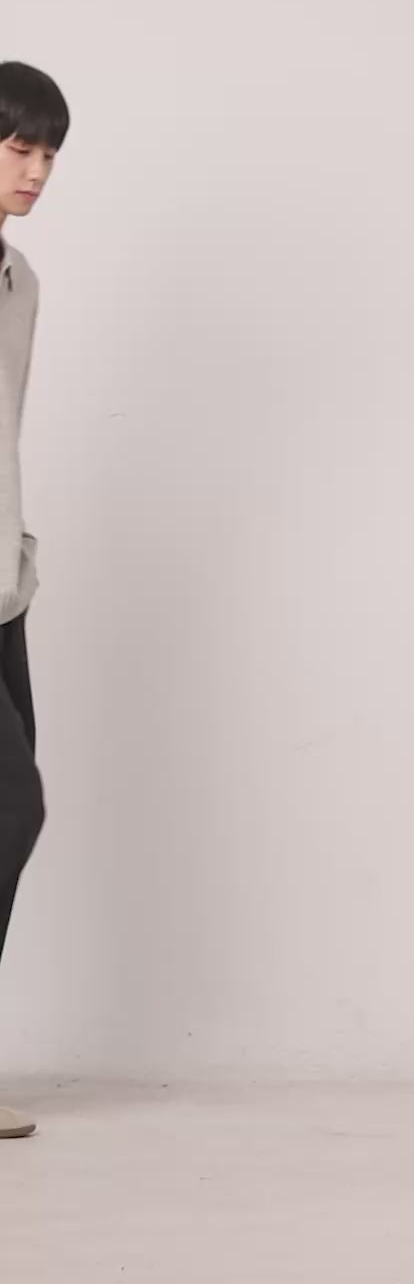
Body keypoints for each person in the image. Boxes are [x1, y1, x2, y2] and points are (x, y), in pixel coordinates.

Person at [0, 60, 70, 1139]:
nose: (39, 171)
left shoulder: (21, 281)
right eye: (20, 148)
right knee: (13, 802)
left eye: (51, 155)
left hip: (1, 592)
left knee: (12, 808)